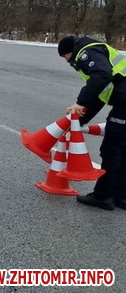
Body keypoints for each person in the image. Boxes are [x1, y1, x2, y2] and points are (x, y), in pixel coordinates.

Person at [58, 35, 126, 210]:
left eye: (65, 57)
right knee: (122, 148)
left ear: (70, 52)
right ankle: (121, 197)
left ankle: (103, 197)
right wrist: (79, 120)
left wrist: (80, 102)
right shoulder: (98, 50)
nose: (67, 62)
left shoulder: (86, 53)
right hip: (123, 101)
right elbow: (100, 95)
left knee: (112, 148)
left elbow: (101, 76)